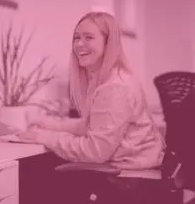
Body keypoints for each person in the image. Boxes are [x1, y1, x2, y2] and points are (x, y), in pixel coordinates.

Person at [17, 12, 167, 204]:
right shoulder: (108, 78)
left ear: (108, 43)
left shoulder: (115, 87)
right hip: (133, 169)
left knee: (34, 174)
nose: (79, 44)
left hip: (131, 179)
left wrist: (46, 137)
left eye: (88, 37)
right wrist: (51, 124)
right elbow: (93, 126)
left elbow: (95, 152)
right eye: (76, 38)